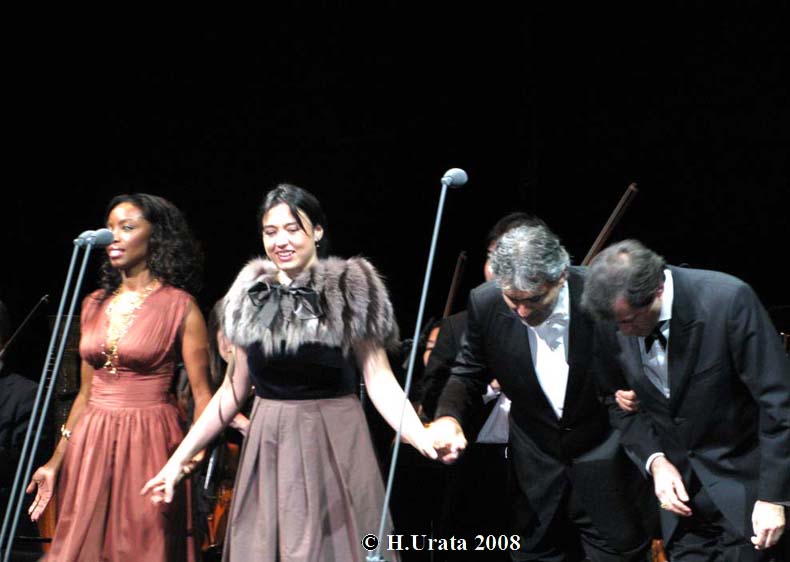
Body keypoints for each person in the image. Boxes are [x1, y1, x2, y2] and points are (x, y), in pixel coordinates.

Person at [142, 183, 437, 562]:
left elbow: (379, 378)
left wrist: (418, 433)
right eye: (270, 231)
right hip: (270, 441)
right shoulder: (251, 296)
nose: (280, 240)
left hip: (334, 437)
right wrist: (176, 462)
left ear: (317, 231)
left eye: (292, 229)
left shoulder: (350, 288)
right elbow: (231, 390)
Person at [429, 223, 653, 561]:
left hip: (608, 469)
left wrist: (638, 390)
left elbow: (643, 359)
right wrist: (448, 417)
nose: (522, 311)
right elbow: (467, 371)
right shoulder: (485, 301)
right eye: (512, 300)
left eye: (534, 299)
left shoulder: (602, 293)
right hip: (535, 478)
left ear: (560, 276)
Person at [26, 193, 213, 561]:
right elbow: (85, 394)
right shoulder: (93, 304)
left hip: (151, 441)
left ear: (155, 236)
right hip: (92, 442)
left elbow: (203, 395)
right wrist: (54, 462)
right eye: (110, 227)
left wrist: (191, 457)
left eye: (127, 228)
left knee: (143, 545)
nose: (114, 236)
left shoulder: (180, 306)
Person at [582, 239, 790, 561]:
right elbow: (616, 402)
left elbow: (778, 402)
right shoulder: (613, 319)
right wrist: (655, 460)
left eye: (628, 321)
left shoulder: (727, 300)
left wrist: (774, 497)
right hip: (681, 508)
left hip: (746, 496)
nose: (622, 332)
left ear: (658, 290)